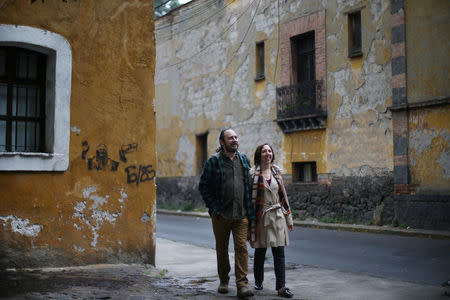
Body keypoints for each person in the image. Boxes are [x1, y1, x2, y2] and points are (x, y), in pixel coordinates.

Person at [198, 128, 255, 299]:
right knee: (222, 249)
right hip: (221, 215)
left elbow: (250, 184)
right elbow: (204, 186)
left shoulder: (244, 159)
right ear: (222, 142)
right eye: (230, 138)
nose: (234, 140)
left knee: (242, 249)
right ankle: (224, 279)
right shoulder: (214, 161)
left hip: (241, 214)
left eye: (236, 137)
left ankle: (242, 284)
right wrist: (214, 208)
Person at [249, 143, 294, 298]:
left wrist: (289, 218)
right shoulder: (252, 174)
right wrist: (249, 221)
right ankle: (258, 281)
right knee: (260, 251)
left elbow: (283, 197)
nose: (268, 153)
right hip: (261, 217)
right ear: (259, 155)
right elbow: (249, 199)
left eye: (270, 151)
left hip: (277, 217)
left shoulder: (277, 173)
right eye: (264, 151)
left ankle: (281, 287)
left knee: (279, 252)